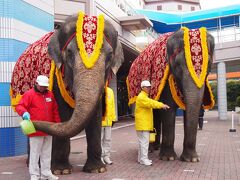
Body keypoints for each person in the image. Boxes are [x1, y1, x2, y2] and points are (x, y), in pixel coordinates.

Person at [16, 75, 60, 180]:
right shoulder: (29, 94)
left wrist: (57, 124)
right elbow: (19, 106)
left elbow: (55, 110)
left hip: (49, 129)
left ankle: (46, 173)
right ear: (36, 84)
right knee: (35, 153)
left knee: (47, 152)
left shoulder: (50, 94)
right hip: (35, 130)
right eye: (41, 86)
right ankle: (34, 174)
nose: (43, 88)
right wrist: (24, 113)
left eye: (45, 86)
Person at [135, 80, 170, 166]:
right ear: (142, 88)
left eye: (149, 87)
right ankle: (144, 159)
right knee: (144, 142)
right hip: (143, 124)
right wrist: (162, 105)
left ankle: (141, 159)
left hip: (142, 124)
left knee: (141, 142)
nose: (149, 88)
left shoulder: (143, 96)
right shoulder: (142, 97)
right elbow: (151, 103)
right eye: (147, 87)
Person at [101, 86, 116, 165]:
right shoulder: (98, 89)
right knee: (100, 140)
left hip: (108, 120)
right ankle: (100, 156)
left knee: (107, 139)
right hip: (100, 121)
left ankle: (106, 156)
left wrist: (113, 118)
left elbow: (112, 106)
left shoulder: (110, 91)